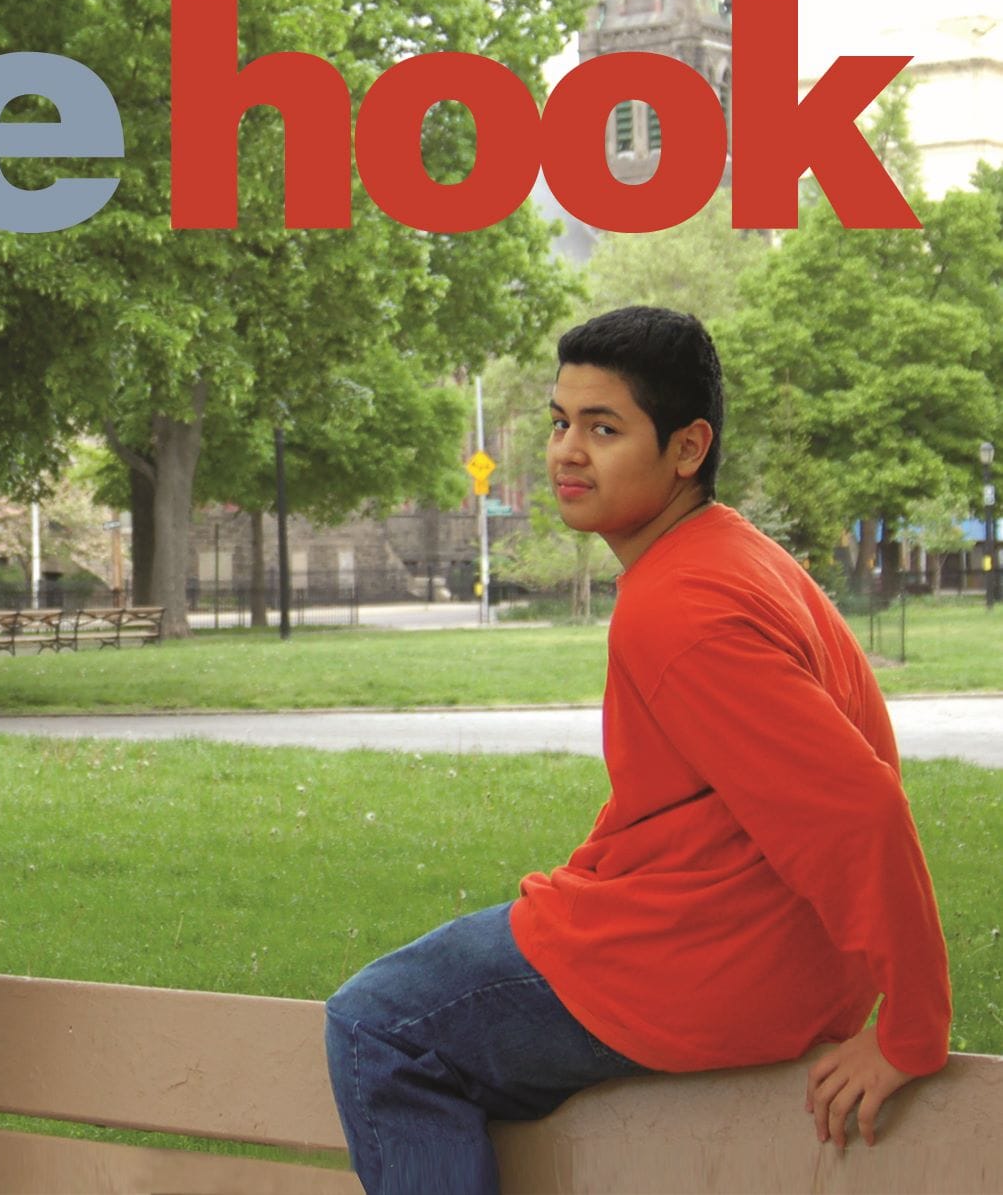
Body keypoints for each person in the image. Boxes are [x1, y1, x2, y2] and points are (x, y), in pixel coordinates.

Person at [324, 307, 950, 1194]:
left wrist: (912, 1028)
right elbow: (694, 796)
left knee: (378, 1025)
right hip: (747, 942)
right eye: (559, 422)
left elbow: (858, 806)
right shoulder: (730, 553)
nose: (565, 452)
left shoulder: (680, 610)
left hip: (715, 966)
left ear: (687, 447)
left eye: (603, 428)